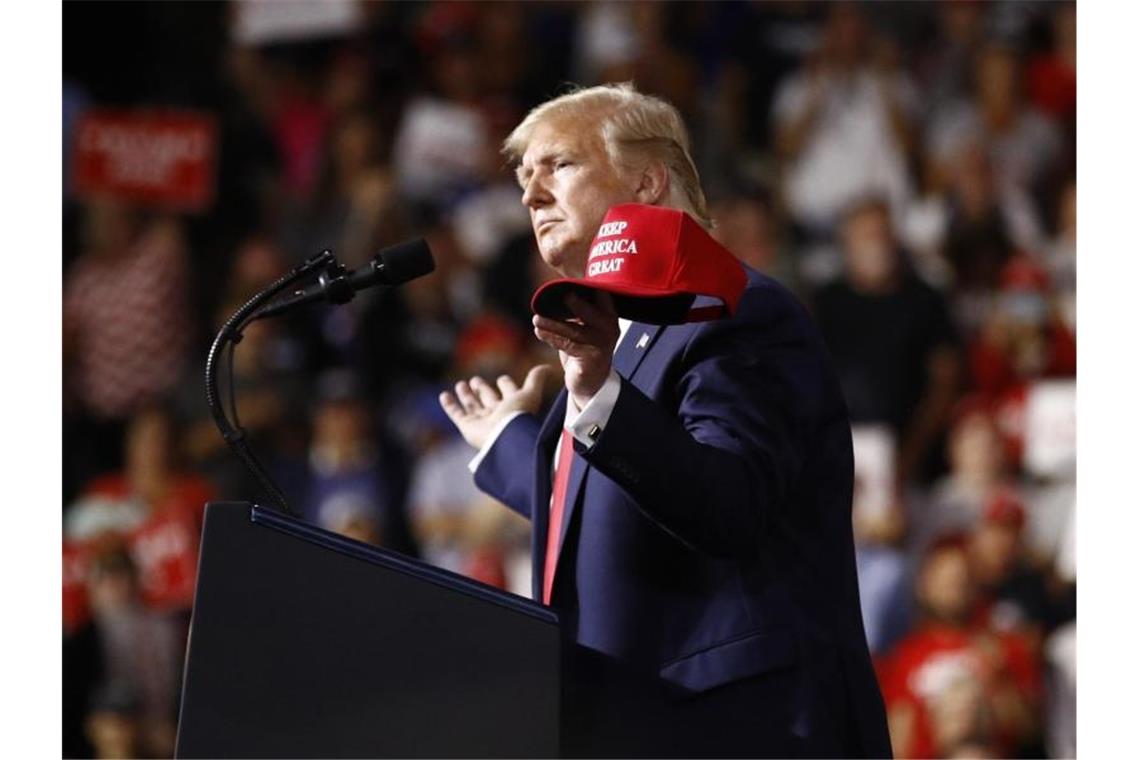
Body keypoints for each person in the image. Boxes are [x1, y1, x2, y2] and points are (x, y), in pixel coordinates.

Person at [439, 82, 889, 757]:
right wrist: (511, 445)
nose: (530, 195)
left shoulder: (730, 310)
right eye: (524, 178)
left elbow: (728, 501)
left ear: (647, 183)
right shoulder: (610, 348)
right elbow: (614, 500)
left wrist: (594, 394)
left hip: (745, 727)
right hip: (635, 727)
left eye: (558, 165)